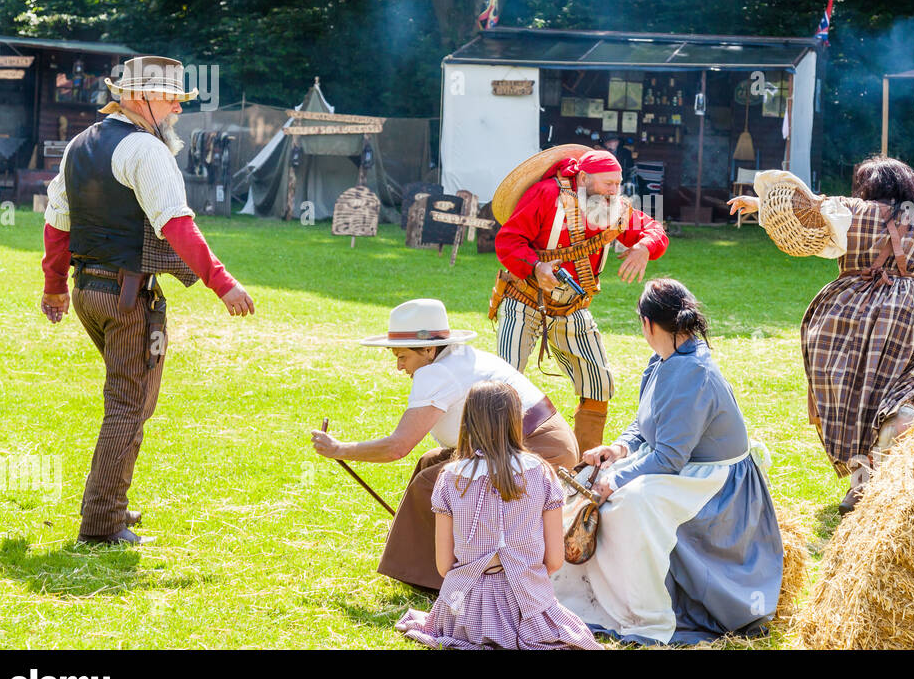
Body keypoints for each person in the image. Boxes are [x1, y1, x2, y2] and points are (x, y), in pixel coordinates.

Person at [39, 56, 255, 545]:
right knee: (128, 404)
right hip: (126, 295)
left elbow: (57, 223)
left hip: (88, 291)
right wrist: (224, 284)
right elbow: (176, 225)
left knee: (129, 399)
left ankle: (108, 501)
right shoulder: (146, 150)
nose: (178, 106)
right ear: (138, 99)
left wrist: (54, 287)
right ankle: (102, 522)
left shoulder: (79, 144)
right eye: (169, 98)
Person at [729, 157, 914, 515]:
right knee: (900, 391)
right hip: (910, 317)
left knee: (851, 396)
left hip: (845, 313)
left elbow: (808, 207)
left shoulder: (852, 210)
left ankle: (861, 484)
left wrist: (760, 204)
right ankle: (896, 428)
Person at [551, 279, 783, 645]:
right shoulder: (666, 359)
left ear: (647, 323)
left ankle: (646, 611)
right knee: (601, 481)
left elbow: (671, 457)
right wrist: (619, 449)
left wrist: (616, 480)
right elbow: (646, 422)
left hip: (715, 482)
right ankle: (601, 596)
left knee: (629, 503)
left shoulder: (691, 372)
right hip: (683, 465)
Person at [309, 299, 578, 592]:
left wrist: (339, 450)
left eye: (402, 356)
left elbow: (397, 447)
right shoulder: (457, 358)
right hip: (528, 444)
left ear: (427, 350)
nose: (399, 366)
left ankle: (445, 579)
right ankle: (432, 568)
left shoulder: (436, 372)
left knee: (432, 483)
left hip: (536, 452)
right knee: (431, 462)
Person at [393, 381, 601, 650]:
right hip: (527, 608)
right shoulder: (541, 473)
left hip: (463, 614)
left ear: (468, 421)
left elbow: (444, 566)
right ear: (516, 421)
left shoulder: (450, 478)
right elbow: (554, 560)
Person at [490, 146, 669, 455]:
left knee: (598, 383)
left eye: (618, 183)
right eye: (607, 184)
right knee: (504, 384)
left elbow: (654, 229)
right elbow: (509, 240)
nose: (615, 191)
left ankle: (585, 469)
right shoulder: (546, 194)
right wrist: (536, 267)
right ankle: (497, 459)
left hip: (573, 308)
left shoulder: (612, 207)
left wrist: (644, 246)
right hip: (525, 299)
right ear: (584, 178)